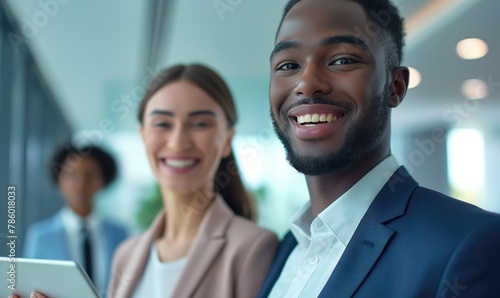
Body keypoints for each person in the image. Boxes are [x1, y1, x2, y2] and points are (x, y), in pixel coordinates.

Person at [258, 0, 500, 297]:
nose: (306, 83)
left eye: (342, 60)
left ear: (395, 86)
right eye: (288, 65)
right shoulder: (288, 248)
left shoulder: (469, 242)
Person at [107, 64, 278, 298]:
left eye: (200, 124)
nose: (178, 142)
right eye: (162, 124)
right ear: (143, 136)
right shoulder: (126, 255)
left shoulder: (252, 247)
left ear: (227, 139)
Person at [23, 144, 128, 293]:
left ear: (103, 181)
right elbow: (30, 288)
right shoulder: (40, 236)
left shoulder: (120, 234)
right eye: (71, 175)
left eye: (90, 175)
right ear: (59, 180)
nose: (80, 184)